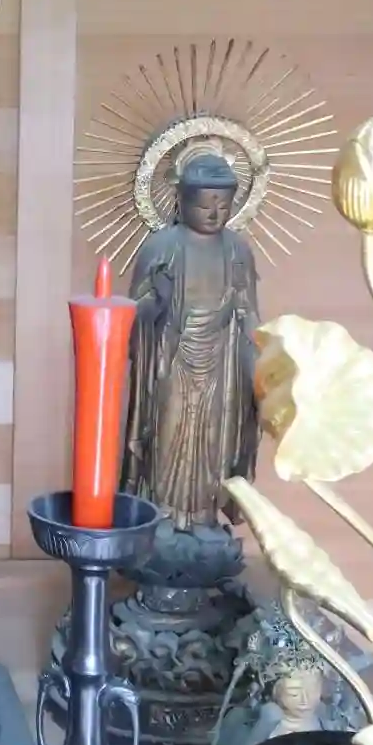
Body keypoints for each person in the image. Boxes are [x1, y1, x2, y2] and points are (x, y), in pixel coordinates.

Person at [122, 151, 259, 531]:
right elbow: (130, 315)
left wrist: (262, 362)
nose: (214, 214)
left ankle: (202, 519)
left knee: (214, 445)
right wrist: (158, 302)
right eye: (204, 205)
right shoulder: (162, 246)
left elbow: (249, 312)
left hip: (221, 363)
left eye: (223, 205)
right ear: (181, 201)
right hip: (172, 359)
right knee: (167, 438)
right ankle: (162, 516)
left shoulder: (237, 250)